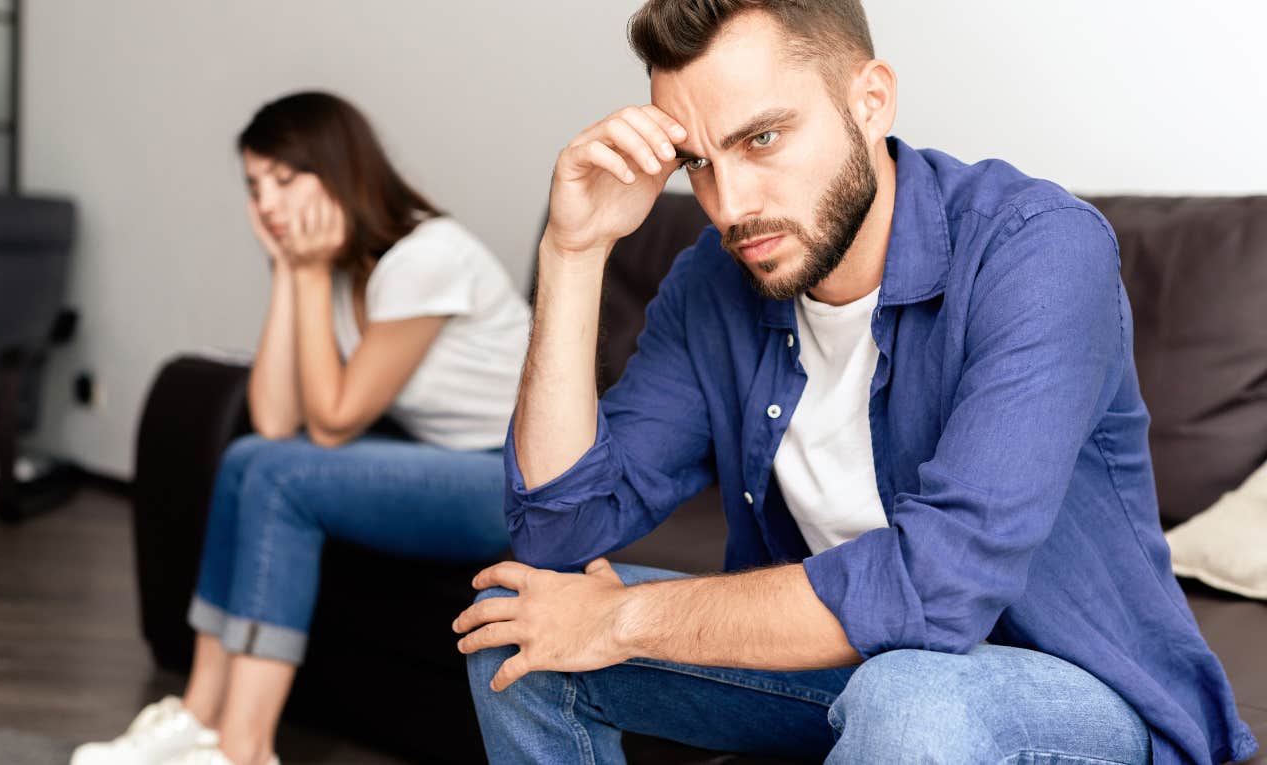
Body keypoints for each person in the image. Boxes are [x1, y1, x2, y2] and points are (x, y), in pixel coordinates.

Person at [453, 3, 1258, 764]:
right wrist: (574, 250)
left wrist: (624, 618)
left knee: (910, 698)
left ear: (870, 100)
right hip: (859, 668)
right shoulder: (714, 283)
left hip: (1073, 689)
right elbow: (557, 530)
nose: (729, 206)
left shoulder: (1038, 251)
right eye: (698, 161)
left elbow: (938, 585)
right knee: (519, 629)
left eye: (762, 138)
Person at [73, 91, 529, 765]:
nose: (269, 205)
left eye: (286, 180)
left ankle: (244, 748)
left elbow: (334, 420)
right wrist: (290, 272)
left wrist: (307, 271)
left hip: (522, 479)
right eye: (256, 187)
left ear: (340, 168)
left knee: (282, 475)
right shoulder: (338, 271)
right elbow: (276, 418)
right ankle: (200, 715)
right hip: (449, 460)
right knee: (247, 458)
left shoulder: (425, 256)